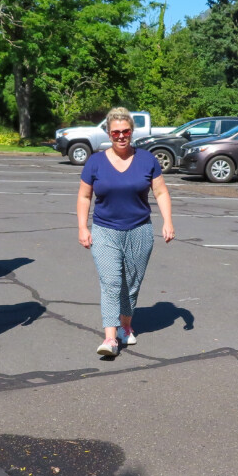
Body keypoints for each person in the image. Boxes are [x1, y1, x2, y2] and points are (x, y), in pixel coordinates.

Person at [77, 106, 174, 357]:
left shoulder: (147, 160)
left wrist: (167, 221)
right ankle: (110, 338)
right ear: (108, 134)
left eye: (125, 131)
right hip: (105, 230)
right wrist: (82, 227)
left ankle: (126, 325)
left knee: (131, 284)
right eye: (115, 132)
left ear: (132, 132)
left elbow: (161, 192)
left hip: (139, 230)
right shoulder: (95, 162)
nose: (121, 136)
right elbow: (84, 196)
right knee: (110, 283)